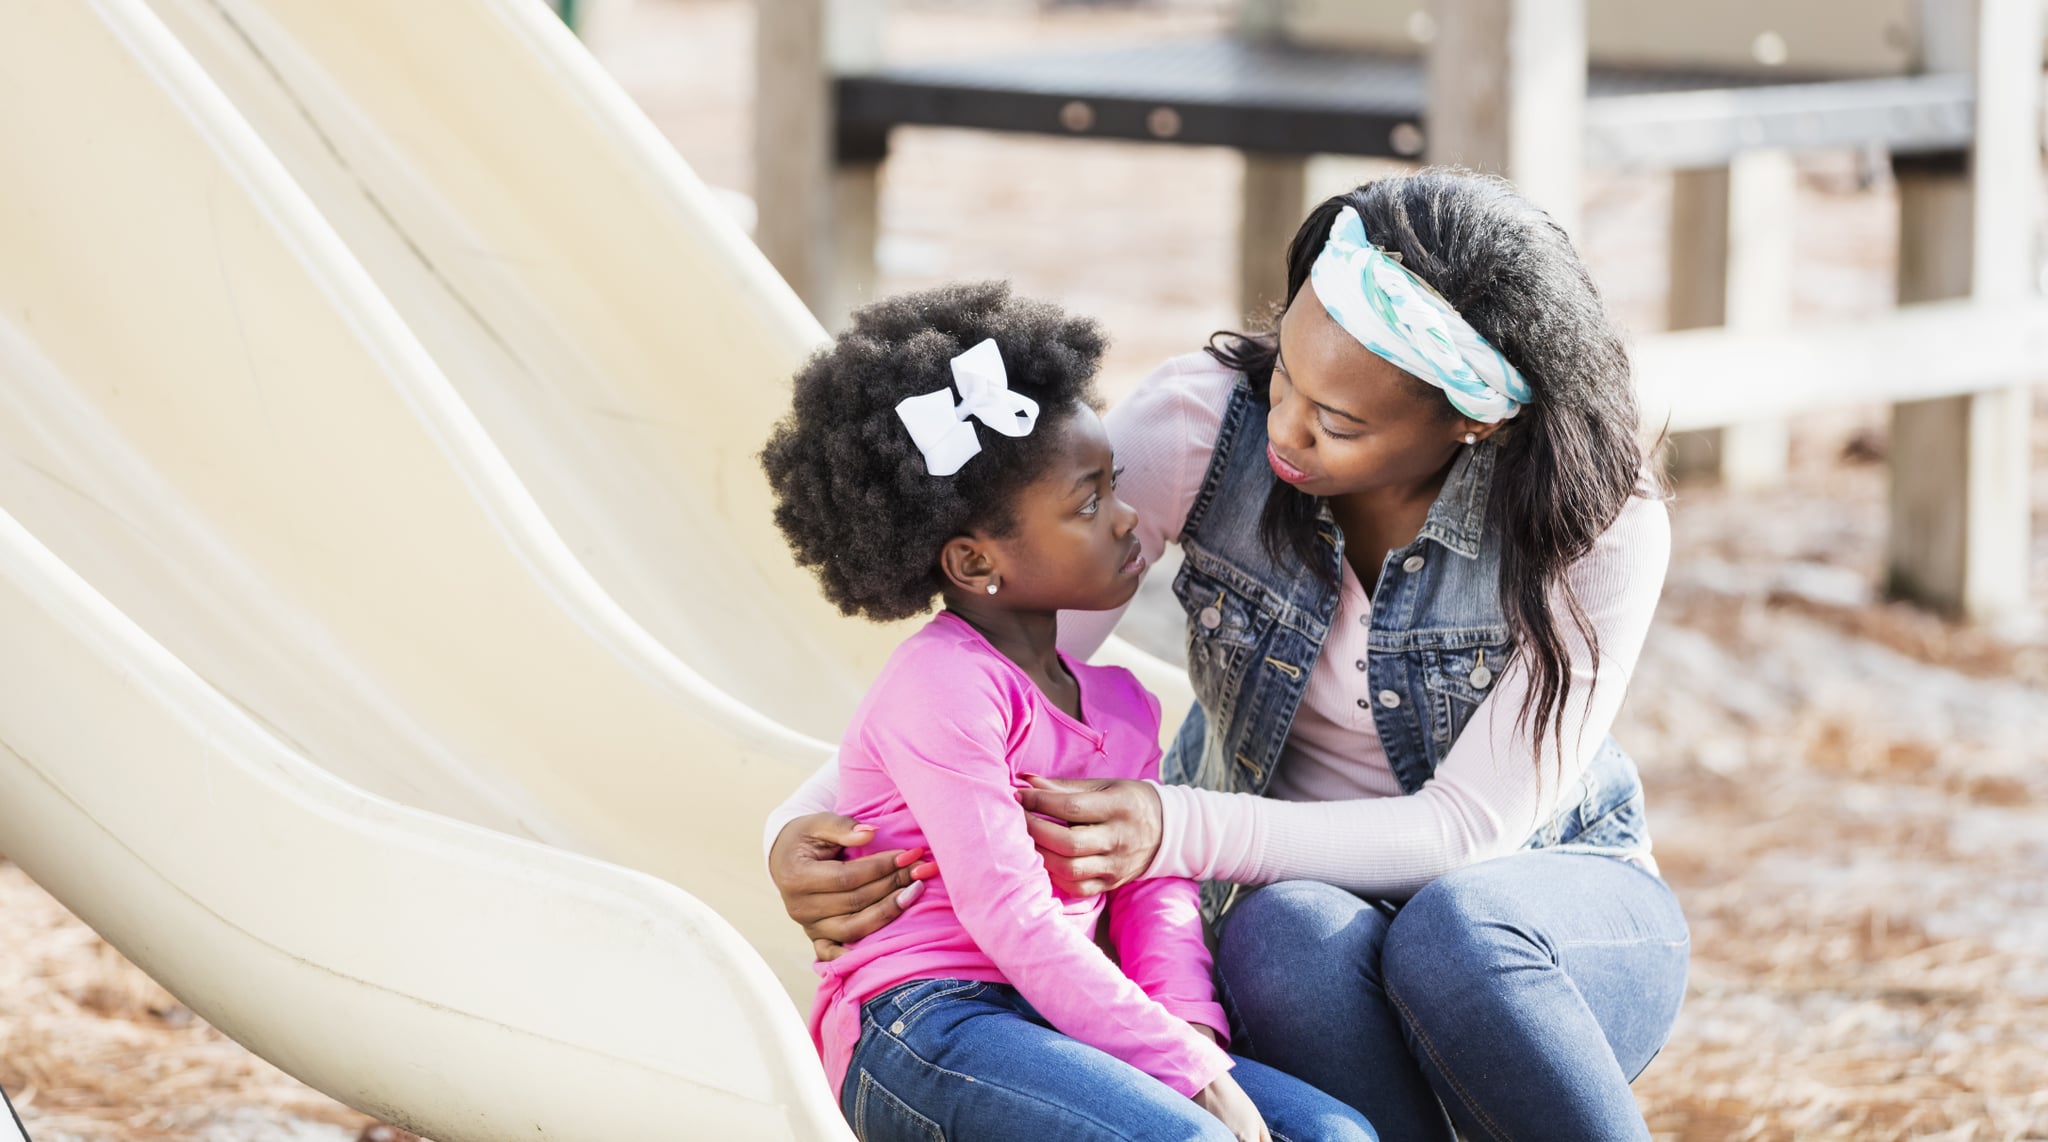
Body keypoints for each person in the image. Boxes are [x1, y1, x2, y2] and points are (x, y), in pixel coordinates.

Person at [766, 171, 1691, 1141]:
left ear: (1471, 419)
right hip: (1305, 919)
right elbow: (991, 654)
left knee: (1453, 929)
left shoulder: (1596, 519)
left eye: (1336, 420)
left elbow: (1464, 831)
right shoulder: (1205, 424)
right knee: (1279, 931)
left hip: (1534, 922)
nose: (1284, 427)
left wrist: (1172, 825)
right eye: (1285, 370)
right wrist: (792, 825)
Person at [759, 281, 1378, 1142]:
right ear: (976, 563)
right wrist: (1191, 1088)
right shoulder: (942, 687)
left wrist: (1188, 1042)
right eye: (1088, 504)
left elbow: (1151, 897)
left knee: (1335, 1134)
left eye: (1114, 487)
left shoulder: (1124, 707)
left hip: (1064, 1018)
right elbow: (1006, 912)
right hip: (924, 1026)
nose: (1129, 521)